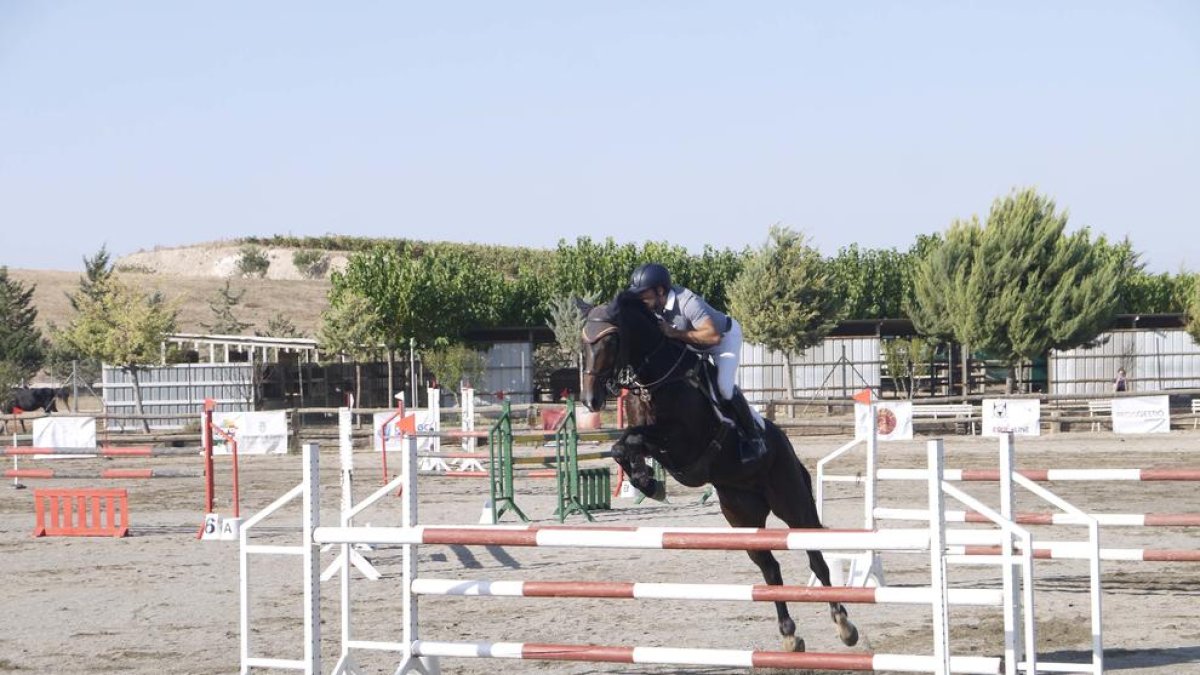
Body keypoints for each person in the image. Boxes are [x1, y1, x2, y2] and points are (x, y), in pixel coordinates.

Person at [627, 263, 765, 462]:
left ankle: (754, 438)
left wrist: (675, 333)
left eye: (644, 294)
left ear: (660, 290)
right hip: (691, 343)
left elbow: (712, 337)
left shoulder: (687, 302)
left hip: (723, 340)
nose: (641, 300)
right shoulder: (652, 305)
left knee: (724, 388)